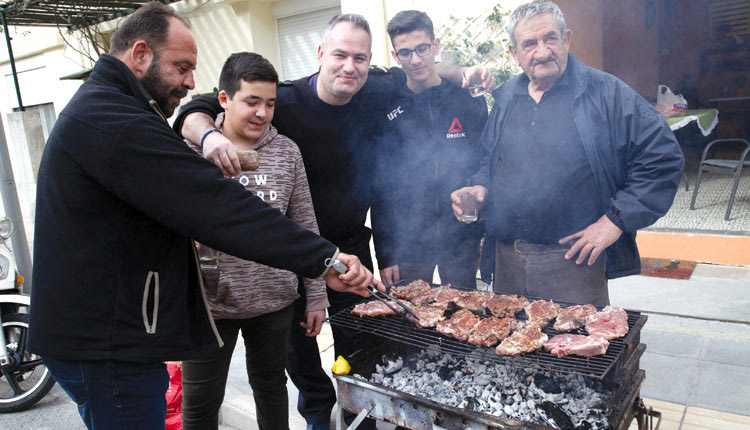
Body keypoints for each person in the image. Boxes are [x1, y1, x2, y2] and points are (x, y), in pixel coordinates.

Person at [28, 5, 380, 430]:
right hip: (106, 343)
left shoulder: (115, 109)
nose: (191, 82)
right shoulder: (115, 121)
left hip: (113, 336)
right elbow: (219, 208)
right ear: (140, 55)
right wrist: (326, 259)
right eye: (182, 67)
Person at [174, 13, 494, 430]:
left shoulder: (376, 87)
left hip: (350, 251)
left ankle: (357, 418)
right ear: (321, 53)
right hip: (286, 253)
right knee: (299, 359)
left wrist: (466, 71)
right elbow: (195, 109)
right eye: (340, 54)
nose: (350, 66)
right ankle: (317, 419)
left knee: (360, 349)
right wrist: (209, 137)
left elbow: (422, 70)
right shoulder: (282, 101)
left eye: (360, 58)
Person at [451, 0, 684, 306]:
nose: (543, 51)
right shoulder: (506, 98)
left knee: (575, 351)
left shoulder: (606, 94)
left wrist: (614, 221)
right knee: (509, 350)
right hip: (507, 261)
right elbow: (490, 160)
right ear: (514, 53)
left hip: (574, 265)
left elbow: (663, 156)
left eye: (550, 38)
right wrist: (479, 187)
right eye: (530, 43)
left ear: (567, 39)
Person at [179, 52, 326, 430]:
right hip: (209, 305)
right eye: (252, 101)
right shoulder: (193, 152)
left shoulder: (287, 151)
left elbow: (305, 227)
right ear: (224, 99)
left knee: (272, 386)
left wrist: (317, 296)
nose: (262, 113)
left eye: (270, 103)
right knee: (200, 402)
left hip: (274, 298)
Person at [371, 10, 488, 290]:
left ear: (435, 46)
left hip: (462, 235)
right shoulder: (386, 105)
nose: (415, 59)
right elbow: (381, 187)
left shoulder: (468, 99)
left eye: (422, 49)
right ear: (395, 55)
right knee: (411, 321)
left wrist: (477, 194)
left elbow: (486, 159)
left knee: (463, 318)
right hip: (409, 240)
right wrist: (385, 253)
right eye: (405, 52)